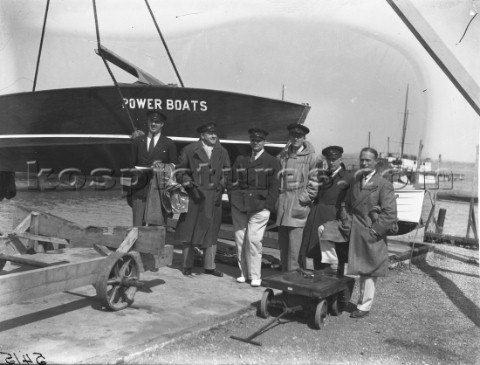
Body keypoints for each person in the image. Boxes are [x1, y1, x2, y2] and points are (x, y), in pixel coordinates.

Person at [174, 122, 231, 277]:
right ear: (202, 135)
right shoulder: (190, 149)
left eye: (215, 133)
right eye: (210, 133)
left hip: (214, 196)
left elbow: (227, 172)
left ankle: (210, 266)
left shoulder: (222, 151)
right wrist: (187, 183)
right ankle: (187, 265)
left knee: (212, 232)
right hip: (196, 196)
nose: (214, 136)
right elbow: (179, 171)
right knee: (190, 230)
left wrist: (222, 186)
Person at [346, 147, 397, 319]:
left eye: (368, 160)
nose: (364, 163)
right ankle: (343, 298)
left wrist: (375, 231)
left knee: (368, 271)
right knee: (356, 268)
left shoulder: (384, 185)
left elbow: (390, 214)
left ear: (376, 162)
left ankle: (364, 306)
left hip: (370, 232)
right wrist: (346, 221)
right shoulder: (355, 181)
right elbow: (347, 205)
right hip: (354, 230)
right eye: (362, 159)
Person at [229, 128, 281, 287]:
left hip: (260, 206)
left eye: (259, 140)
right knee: (240, 241)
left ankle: (255, 275)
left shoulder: (272, 161)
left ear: (264, 142)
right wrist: (233, 199)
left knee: (254, 241)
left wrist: (268, 206)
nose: (256, 143)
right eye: (253, 140)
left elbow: (275, 186)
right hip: (239, 205)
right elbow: (232, 181)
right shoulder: (241, 159)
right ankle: (244, 273)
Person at [299, 145, 351, 274]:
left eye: (334, 159)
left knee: (336, 254)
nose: (331, 162)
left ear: (340, 159)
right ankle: (318, 282)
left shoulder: (348, 177)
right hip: (317, 216)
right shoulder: (322, 175)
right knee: (317, 253)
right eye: (329, 159)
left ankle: (336, 286)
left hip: (334, 217)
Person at [276, 123, 318, 272]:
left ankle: (293, 278)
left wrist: (303, 200)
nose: (296, 139)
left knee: (295, 248)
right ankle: (284, 276)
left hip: (298, 207)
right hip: (283, 206)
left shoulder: (311, 157)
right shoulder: (283, 155)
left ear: (304, 137)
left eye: (299, 136)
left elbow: (314, 183)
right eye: (293, 136)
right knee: (283, 246)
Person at [129, 110, 177, 226]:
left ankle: (156, 244)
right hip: (140, 188)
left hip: (159, 190)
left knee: (157, 223)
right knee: (137, 224)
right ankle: (137, 243)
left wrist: (161, 166)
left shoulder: (168, 143)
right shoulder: (137, 142)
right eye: (151, 121)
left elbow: (174, 167)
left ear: (162, 124)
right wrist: (135, 172)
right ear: (148, 122)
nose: (154, 124)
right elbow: (130, 165)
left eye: (157, 122)